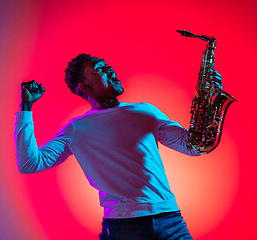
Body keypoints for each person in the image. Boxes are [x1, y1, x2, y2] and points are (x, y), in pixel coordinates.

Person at [14, 53, 222, 239]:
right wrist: (26, 106)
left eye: (107, 65)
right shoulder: (77, 129)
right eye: (100, 69)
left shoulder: (146, 111)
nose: (110, 69)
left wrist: (212, 101)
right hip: (123, 228)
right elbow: (30, 164)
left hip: (171, 221)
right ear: (84, 87)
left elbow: (193, 147)